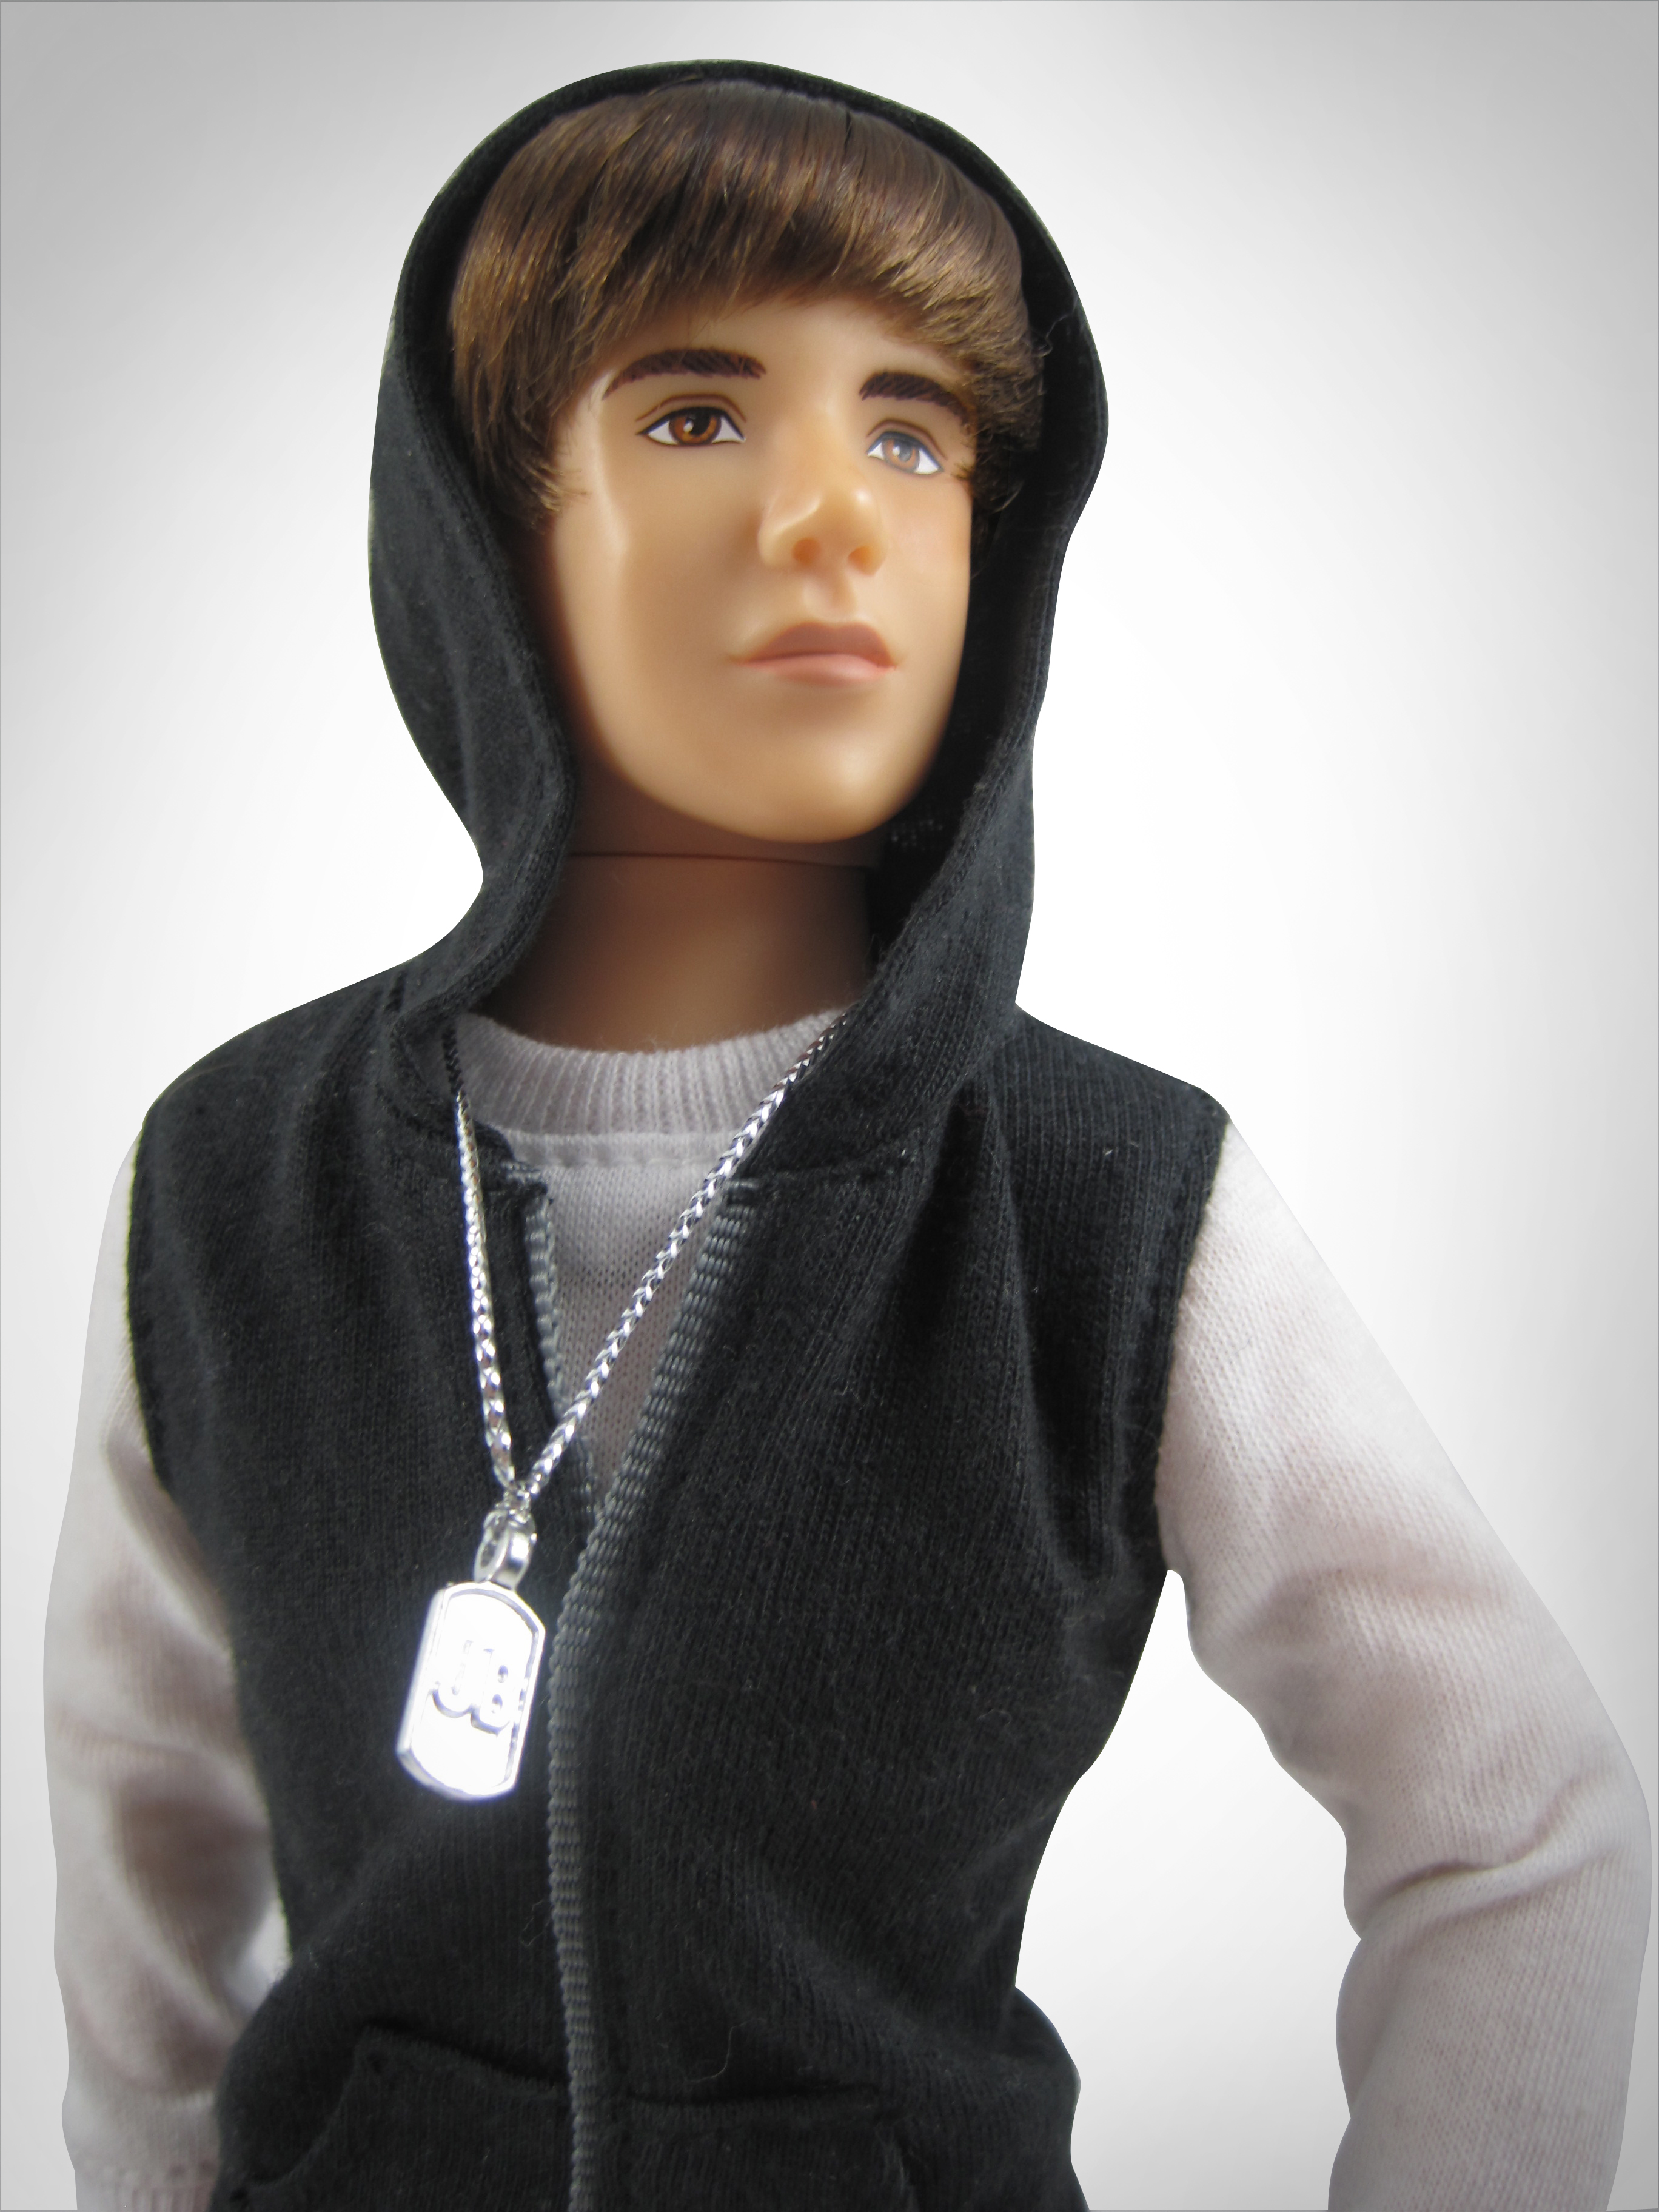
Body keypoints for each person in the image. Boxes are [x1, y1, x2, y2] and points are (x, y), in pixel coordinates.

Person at [45, 61, 1648, 2212]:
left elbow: (1518, 1824)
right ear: (487, 520)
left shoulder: (1108, 1210)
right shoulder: (234, 1184)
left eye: (915, 432)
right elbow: (139, 1828)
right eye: (696, 415)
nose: (835, 516)